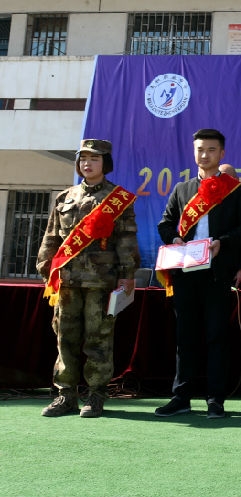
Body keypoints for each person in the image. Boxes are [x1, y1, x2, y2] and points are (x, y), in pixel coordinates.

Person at [155, 129, 241, 419]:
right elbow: (165, 224)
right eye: (200, 149)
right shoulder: (182, 189)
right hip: (186, 273)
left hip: (217, 274)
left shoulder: (235, 191)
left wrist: (223, 242)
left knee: (216, 337)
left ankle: (215, 399)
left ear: (221, 153)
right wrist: (174, 238)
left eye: (211, 150)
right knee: (185, 338)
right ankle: (181, 397)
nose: (204, 155)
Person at [35, 139, 140, 418]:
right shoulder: (65, 197)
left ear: (105, 163)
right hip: (67, 281)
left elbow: (126, 241)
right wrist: (46, 269)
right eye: (83, 159)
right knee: (65, 338)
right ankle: (66, 395)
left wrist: (127, 275)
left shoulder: (117, 199)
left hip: (100, 282)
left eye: (94, 159)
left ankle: (95, 395)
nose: (87, 164)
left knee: (98, 338)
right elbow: (51, 237)